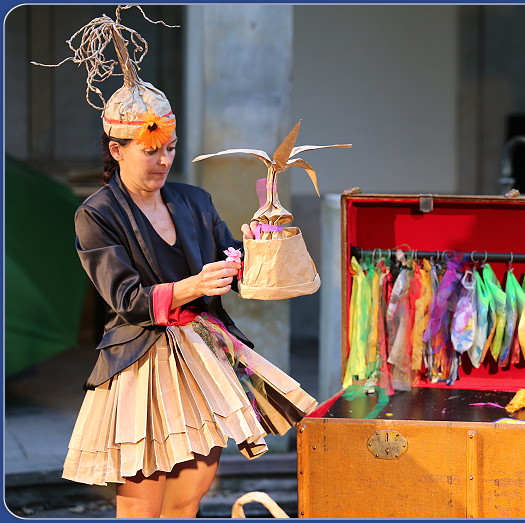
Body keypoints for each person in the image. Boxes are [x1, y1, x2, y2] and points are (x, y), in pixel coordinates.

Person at [37, 7, 316, 517]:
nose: (163, 160)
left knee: (196, 479)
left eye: (169, 148)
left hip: (201, 348)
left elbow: (233, 267)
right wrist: (192, 285)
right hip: (141, 356)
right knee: (145, 488)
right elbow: (126, 299)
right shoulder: (95, 214)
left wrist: (262, 240)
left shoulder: (194, 200)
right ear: (116, 150)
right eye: (150, 150)